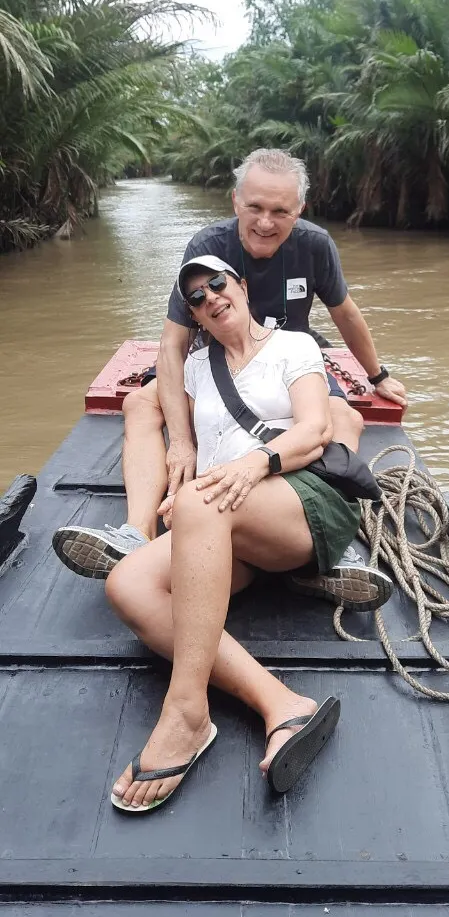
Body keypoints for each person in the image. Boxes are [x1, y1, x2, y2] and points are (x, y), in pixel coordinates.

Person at [53, 148, 407, 608]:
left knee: (343, 415)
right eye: (255, 207)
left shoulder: (315, 245)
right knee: (140, 404)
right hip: (211, 354)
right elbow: (173, 343)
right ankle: (136, 531)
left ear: (298, 210)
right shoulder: (208, 245)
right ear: (235, 200)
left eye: (280, 211)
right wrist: (180, 440)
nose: (265, 222)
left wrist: (377, 375)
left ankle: (331, 536)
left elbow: (345, 313)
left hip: (283, 350)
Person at [106, 258, 391, 812]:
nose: (209, 297)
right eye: (194, 297)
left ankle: (186, 711)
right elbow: (183, 446)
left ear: (241, 287)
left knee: (201, 504)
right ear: (191, 315)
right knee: (127, 584)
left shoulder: (294, 348)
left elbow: (315, 429)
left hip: (298, 499)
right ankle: (281, 703)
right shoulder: (194, 368)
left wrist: (255, 463)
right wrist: (173, 488)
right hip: (222, 519)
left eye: (217, 284)